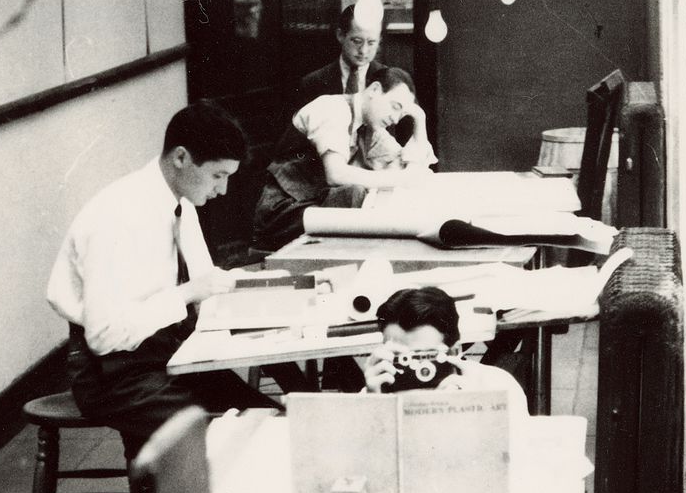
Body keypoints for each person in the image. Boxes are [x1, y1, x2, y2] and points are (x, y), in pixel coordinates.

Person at [46, 101, 279, 462]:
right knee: (225, 441)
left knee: (270, 421)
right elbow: (104, 336)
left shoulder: (180, 202)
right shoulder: (115, 218)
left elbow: (203, 286)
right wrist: (187, 294)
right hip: (111, 373)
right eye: (218, 175)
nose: (224, 190)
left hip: (166, 354)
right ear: (181, 158)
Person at [251, 66, 436, 254]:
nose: (396, 119)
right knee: (356, 195)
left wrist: (420, 119)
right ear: (374, 90)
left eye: (402, 113)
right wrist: (402, 178)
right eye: (395, 106)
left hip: (312, 208)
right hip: (280, 211)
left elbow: (413, 166)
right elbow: (336, 174)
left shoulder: (370, 127)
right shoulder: (333, 109)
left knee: (369, 201)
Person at [360, 286, 529, 412]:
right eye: (400, 358)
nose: (415, 368)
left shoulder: (497, 387)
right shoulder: (373, 394)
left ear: (454, 351)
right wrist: (374, 407)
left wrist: (474, 410)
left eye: (426, 357)